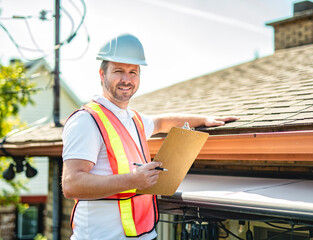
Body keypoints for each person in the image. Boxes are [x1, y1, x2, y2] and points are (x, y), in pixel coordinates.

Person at [61, 33, 238, 240]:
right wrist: (133, 180)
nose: (126, 79)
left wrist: (204, 119)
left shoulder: (134, 119)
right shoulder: (86, 121)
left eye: (133, 72)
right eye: (118, 71)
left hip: (144, 234)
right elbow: (72, 184)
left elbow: (162, 122)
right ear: (102, 74)